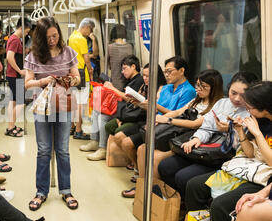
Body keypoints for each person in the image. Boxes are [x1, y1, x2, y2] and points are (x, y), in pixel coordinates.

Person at [168, 71, 259, 221]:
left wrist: (230, 130)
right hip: (209, 149)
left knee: (185, 178)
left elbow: (245, 149)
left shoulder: (251, 112)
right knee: (166, 166)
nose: (237, 98)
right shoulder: (222, 103)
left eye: (243, 94)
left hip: (227, 157)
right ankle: (187, 215)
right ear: (228, 89)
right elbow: (207, 124)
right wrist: (197, 139)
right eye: (233, 93)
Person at [25, 16, 81, 211]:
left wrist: (68, 81)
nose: (52, 40)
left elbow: (77, 78)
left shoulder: (68, 53)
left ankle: (66, 190)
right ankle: (41, 192)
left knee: (63, 150)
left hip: (63, 104)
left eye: (55, 35)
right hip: (43, 106)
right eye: (48, 37)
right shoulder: (33, 56)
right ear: (40, 38)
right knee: (43, 150)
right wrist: (44, 80)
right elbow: (27, 83)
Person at [136, 69, 224, 192]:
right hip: (179, 134)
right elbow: (178, 112)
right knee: (142, 149)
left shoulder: (217, 106)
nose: (198, 89)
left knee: (155, 157)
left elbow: (195, 124)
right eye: (197, 85)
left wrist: (168, 121)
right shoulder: (196, 100)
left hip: (190, 139)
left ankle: (155, 195)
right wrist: (159, 119)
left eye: (203, 86)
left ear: (214, 88)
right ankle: (142, 189)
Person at [119, 56, 196, 191]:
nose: (166, 75)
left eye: (169, 71)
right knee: (141, 148)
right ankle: (142, 186)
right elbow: (156, 109)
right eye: (165, 71)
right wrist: (141, 104)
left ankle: (148, 189)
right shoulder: (166, 88)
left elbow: (178, 114)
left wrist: (154, 106)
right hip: (157, 126)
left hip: (172, 129)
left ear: (181, 70)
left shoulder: (189, 91)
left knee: (144, 149)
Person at [80, 55, 144, 161]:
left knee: (103, 116)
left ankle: (103, 148)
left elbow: (130, 99)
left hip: (131, 113)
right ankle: (95, 141)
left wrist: (112, 88)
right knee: (96, 110)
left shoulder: (138, 81)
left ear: (133, 66)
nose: (123, 72)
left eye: (124, 69)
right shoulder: (129, 80)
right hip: (124, 110)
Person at [68, 18, 95, 140]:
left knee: (74, 102)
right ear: (86, 27)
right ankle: (78, 130)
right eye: (90, 30)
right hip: (82, 74)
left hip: (72, 73)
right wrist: (91, 70)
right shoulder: (82, 39)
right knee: (80, 104)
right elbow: (86, 59)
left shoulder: (72, 36)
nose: (90, 33)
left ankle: (72, 127)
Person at [5, 17, 31, 137]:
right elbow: (9, 57)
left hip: (12, 75)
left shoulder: (14, 39)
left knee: (14, 101)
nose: (26, 34)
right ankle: (11, 127)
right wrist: (20, 71)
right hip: (15, 75)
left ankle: (11, 125)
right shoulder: (15, 40)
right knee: (20, 102)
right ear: (21, 28)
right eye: (26, 31)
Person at [107, 24, 133, 91]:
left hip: (116, 81)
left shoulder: (110, 47)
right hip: (128, 81)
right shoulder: (129, 46)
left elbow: (109, 66)